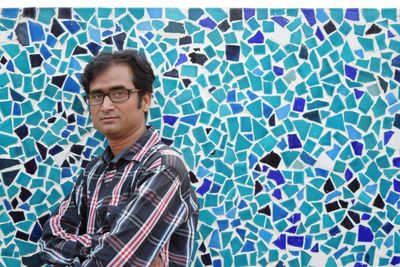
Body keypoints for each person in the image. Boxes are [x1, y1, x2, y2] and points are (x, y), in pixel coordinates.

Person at [40, 50, 199, 267]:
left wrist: (89, 249)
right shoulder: (94, 170)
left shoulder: (164, 167)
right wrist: (104, 243)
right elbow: (50, 240)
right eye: (96, 96)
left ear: (145, 100)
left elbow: (116, 261)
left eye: (118, 93)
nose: (105, 106)